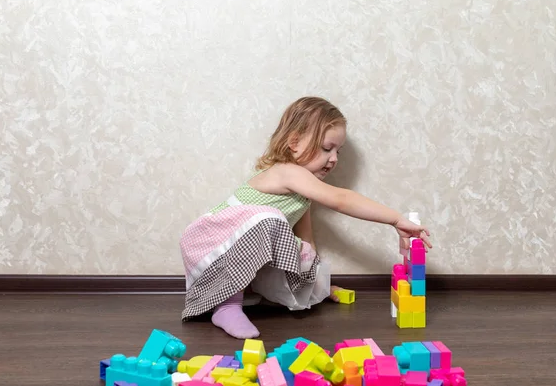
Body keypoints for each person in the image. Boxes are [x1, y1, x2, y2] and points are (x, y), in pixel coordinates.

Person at [179, 96, 432, 339]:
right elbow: (341, 199)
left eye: (338, 151)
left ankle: (251, 293)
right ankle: (226, 307)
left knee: (302, 251)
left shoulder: (301, 195)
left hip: (232, 252)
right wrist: (395, 218)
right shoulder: (287, 172)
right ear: (294, 142)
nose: (333, 159)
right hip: (209, 244)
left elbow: (307, 242)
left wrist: (318, 287)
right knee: (269, 219)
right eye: (326, 148)